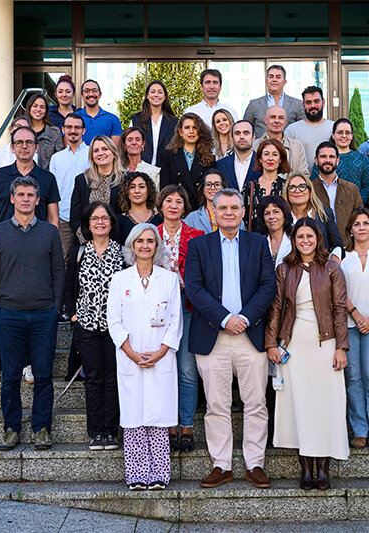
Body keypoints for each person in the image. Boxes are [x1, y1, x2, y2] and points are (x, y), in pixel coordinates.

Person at [184, 189, 277, 489]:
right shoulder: (199, 245)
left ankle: (255, 463)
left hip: (251, 334)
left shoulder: (258, 243)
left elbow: (267, 286)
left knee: (256, 403)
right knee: (216, 404)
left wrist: (245, 318)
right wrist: (226, 318)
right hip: (214, 334)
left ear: (242, 211)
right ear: (213, 210)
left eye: (234, 208)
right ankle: (221, 464)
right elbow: (195, 289)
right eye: (222, 207)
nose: (228, 212)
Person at [0, 176, 65, 452]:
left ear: (38, 200)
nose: (26, 199)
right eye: (21, 195)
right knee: (10, 377)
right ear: (12, 199)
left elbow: (58, 273)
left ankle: (42, 429)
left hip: (43, 315)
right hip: (9, 315)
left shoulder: (50, 233)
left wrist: (54, 309)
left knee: (43, 374)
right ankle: (12, 429)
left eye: (31, 195)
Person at [265, 217, 349, 490]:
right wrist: (271, 344)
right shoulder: (284, 269)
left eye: (309, 236)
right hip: (294, 344)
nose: (304, 241)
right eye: (299, 237)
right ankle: (305, 469)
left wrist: (341, 347)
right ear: (294, 239)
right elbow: (276, 308)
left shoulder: (332, 268)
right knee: (299, 404)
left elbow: (339, 309)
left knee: (324, 405)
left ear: (318, 238)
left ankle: (323, 468)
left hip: (325, 344)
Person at [0, 126, 60, 387]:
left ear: (37, 147)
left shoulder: (46, 178)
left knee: (32, 307)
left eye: (29, 142)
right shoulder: (0, 176)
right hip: (4, 249)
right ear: (12, 147)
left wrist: (50, 248)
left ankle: (29, 364)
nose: (24, 146)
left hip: (37, 248)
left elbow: (53, 217)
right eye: (19, 142)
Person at [106, 224, 183, 490]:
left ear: (157, 246)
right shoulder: (120, 280)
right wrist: (130, 352)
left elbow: (175, 320)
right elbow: (113, 321)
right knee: (134, 416)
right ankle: (137, 475)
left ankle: (160, 474)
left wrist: (161, 352)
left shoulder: (169, 279)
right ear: (132, 246)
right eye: (140, 241)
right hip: (131, 357)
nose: (145, 246)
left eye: (150, 241)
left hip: (161, 357)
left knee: (159, 417)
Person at [63, 201, 124, 451]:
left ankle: (111, 431)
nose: (100, 222)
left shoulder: (122, 253)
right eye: (94, 218)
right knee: (93, 379)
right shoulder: (79, 253)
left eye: (105, 218)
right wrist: (73, 314)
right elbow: (68, 288)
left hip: (114, 328)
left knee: (112, 379)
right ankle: (95, 431)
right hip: (86, 326)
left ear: (111, 223)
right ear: (88, 224)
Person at [331, 207, 369, 450]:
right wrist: (355, 314)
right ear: (350, 230)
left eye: (366, 223)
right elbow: (337, 289)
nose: (362, 227)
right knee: (353, 376)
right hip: (348, 323)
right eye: (357, 224)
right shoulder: (339, 255)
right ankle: (359, 429)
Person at [155, 185, 205, 452]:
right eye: (168, 201)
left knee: (186, 370)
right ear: (160, 205)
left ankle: (186, 426)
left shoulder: (196, 236)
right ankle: (169, 425)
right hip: (157, 310)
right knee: (163, 369)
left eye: (178, 201)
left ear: (185, 207)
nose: (173, 205)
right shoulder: (150, 235)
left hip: (187, 307)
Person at [259, 194, 293, 445]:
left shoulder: (295, 241)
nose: (271, 216)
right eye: (267, 213)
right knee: (267, 375)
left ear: (285, 214)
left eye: (276, 211)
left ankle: (289, 428)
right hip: (262, 314)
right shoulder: (258, 242)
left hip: (290, 313)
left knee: (288, 373)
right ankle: (271, 431)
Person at [50, 113, 91, 262]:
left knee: (89, 258)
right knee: (62, 260)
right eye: (69, 127)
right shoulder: (56, 158)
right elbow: (53, 191)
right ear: (63, 130)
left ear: (83, 131)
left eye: (77, 127)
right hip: (63, 218)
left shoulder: (92, 154)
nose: (73, 131)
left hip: (88, 218)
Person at [70, 136, 125, 245]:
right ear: (92, 156)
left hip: (118, 242)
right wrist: (87, 241)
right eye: (96, 150)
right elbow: (75, 218)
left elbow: (127, 214)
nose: (100, 153)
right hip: (87, 243)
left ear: (114, 153)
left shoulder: (125, 179)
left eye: (105, 149)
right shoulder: (82, 180)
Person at [311, 141, 363, 250]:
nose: (328, 160)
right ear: (316, 161)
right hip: (318, 249)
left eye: (331, 157)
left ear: (337, 160)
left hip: (347, 247)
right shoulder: (309, 190)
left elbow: (359, 219)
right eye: (323, 156)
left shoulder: (352, 189)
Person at [159, 113, 215, 212]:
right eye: (187, 127)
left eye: (195, 127)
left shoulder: (209, 158)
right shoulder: (167, 156)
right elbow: (165, 188)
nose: (191, 131)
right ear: (180, 132)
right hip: (176, 210)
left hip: (200, 212)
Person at [309, 118, 369, 203]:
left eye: (347, 132)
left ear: (352, 135)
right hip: (326, 207)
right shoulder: (324, 159)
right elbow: (315, 184)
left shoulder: (362, 159)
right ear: (333, 135)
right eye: (340, 132)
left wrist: (356, 204)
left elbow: (367, 186)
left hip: (355, 208)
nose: (344, 136)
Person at [283, 174, 343, 252]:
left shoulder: (325, 214)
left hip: (321, 263)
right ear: (287, 193)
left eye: (302, 186)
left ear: (310, 191)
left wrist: (334, 259)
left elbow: (338, 246)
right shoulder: (282, 218)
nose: (297, 191)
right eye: (292, 188)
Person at [242, 139, 289, 234]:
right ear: (260, 158)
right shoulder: (249, 187)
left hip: (282, 241)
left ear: (280, 159)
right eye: (266, 154)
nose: (270, 158)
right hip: (255, 240)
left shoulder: (287, 186)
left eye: (275, 154)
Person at [244, 65, 305, 138]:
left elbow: (302, 130)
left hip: (288, 148)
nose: (274, 80)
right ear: (266, 81)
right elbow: (245, 129)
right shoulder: (254, 105)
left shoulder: (297, 104)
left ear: (284, 82)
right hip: (260, 147)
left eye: (278, 77)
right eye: (271, 77)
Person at [252, 105, 308, 178]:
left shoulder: (297, 147)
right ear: (266, 120)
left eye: (281, 118)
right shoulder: (254, 146)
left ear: (285, 122)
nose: (277, 121)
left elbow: (304, 176)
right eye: (273, 117)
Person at [130, 80, 178, 166]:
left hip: (166, 170)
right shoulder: (136, 120)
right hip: (141, 169)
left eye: (160, 92)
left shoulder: (174, 122)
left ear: (164, 97)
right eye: (153, 92)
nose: (156, 95)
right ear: (147, 96)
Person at [284, 86, 334, 164]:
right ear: (303, 105)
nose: (313, 106)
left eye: (316, 101)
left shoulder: (334, 128)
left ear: (323, 102)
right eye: (308, 102)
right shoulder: (292, 130)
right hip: (300, 176)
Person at [116, 171, 163, 243]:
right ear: (126, 191)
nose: (137, 191)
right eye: (132, 187)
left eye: (141, 187)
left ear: (149, 190)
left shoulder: (161, 218)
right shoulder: (118, 221)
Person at [215, 120, 261, 190]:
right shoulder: (220, 165)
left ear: (253, 137)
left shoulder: (263, 163)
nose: (242, 137)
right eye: (237, 133)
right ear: (232, 138)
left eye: (246, 133)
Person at [25, 93, 64, 170]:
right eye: (35, 106)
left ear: (46, 110)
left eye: (42, 107)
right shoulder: (23, 130)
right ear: (29, 108)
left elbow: (60, 159)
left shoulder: (54, 132)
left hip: (47, 178)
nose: (38, 109)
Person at [77, 79, 122, 146]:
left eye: (95, 91)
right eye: (87, 91)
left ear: (100, 95)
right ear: (82, 96)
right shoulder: (74, 119)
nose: (91, 94)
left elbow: (113, 150)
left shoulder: (113, 119)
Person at [184, 168, 225, 234]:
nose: (212, 188)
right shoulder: (191, 219)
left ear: (223, 188)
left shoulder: (233, 216)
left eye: (217, 184)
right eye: (208, 184)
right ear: (203, 190)